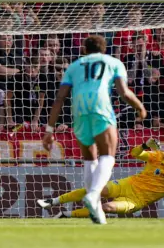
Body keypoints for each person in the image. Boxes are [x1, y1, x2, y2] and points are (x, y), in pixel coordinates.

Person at [42, 35, 146, 225]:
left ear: (84, 49)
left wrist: (49, 130)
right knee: (108, 156)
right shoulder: (113, 62)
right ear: (104, 49)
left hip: (79, 109)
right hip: (101, 108)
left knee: (90, 158)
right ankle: (93, 194)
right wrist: (140, 107)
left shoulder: (74, 66)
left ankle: (96, 210)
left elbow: (59, 98)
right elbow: (124, 92)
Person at [37, 137, 164, 218]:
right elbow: (134, 154)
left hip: (137, 200)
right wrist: (145, 145)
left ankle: (66, 214)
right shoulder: (157, 156)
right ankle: (53, 201)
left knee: (106, 207)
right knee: (96, 189)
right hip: (127, 184)